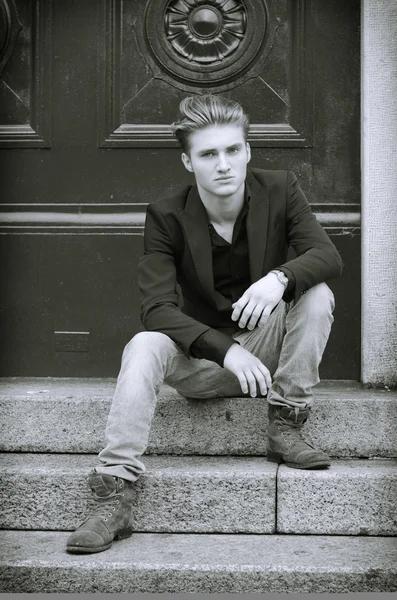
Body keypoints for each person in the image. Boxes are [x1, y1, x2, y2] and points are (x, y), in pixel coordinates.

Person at [66, 94, 342, 554]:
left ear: (248, 151)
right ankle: (114, 493)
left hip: (267, 354)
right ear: (188, 161)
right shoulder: (166, 214)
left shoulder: (282, 189)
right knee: (143, 344)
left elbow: (327, 256)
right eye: (208, 154)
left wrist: (280, 278)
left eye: (233, 150)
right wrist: (226, 350)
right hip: (202, 365)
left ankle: (285, 423)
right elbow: (156, 308)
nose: (224, 165)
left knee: (317, 294)